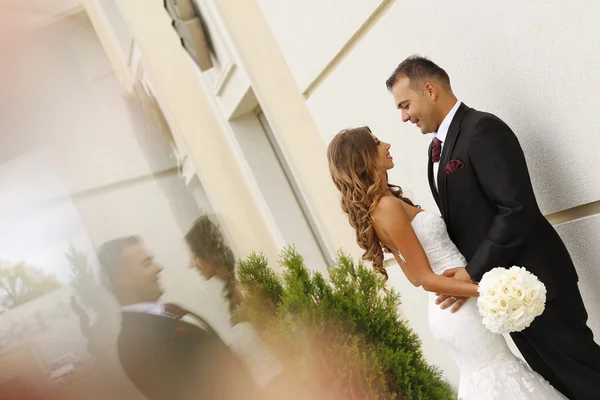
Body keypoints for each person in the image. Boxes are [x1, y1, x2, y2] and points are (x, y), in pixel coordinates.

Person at [385, 55, 600, 399]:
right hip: (507, 297)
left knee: (585, 376)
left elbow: (516, 209)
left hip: (538, 283)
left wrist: (473, 273)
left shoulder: (482, 129)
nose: (404, 116)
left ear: (430, 89)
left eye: (406, 105)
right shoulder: (435, 151)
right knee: (561, 385)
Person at [327, 126, 568, 399]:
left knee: (495, 377)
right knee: (497, 376)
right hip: (459, 306)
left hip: (453, 304)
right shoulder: (386, 207)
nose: (387, 144)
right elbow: (427, 279)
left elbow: (416, 278)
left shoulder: (384, 204)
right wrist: (489, 291)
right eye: (377, 142)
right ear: (362, 157)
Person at [97, 235, 258, 400]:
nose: (159, 267)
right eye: (147, 263)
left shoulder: (170, 310)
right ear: (122, 279)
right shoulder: (134, 342)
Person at [185, 216, 283, 390]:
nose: (191, 264)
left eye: (194, 255)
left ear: (208, 255)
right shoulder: (233, 293)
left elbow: (278, 339)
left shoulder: (245, 291)